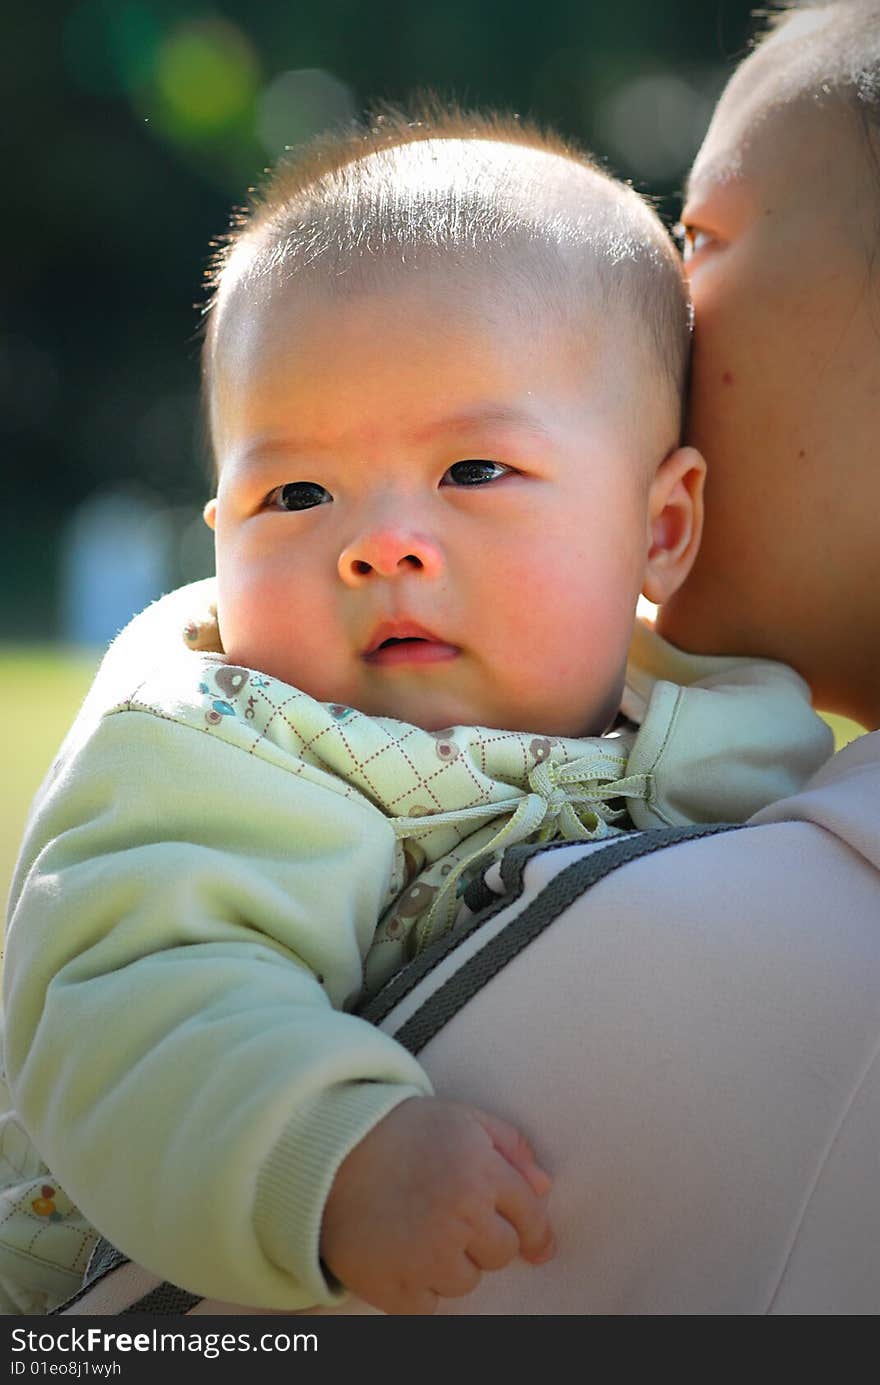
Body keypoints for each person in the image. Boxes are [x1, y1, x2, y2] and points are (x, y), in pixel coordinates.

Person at [0, 106, 832, 1316]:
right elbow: (133, 1001)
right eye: (296, 491)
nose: (380, 542)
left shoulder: (743, 755)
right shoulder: (212, 741)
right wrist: (332, 1158)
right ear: (219, 535)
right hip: (122, 1296)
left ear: (657, 528)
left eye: (473, 471)